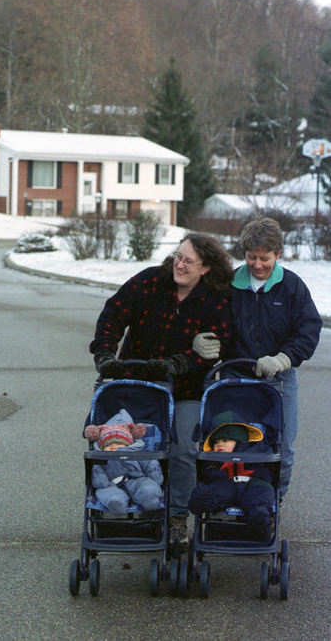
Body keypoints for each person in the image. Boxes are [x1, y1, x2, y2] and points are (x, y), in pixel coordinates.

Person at [89, 233, 233, 546]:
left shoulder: (213, 300)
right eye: (178, 256)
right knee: (126, 444)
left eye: (189, 261)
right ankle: (127, 508)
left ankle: (177, 516)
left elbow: (216, 345)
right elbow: (113, 313)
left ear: (206, 268)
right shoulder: (151, 281)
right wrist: (104, 353)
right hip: (137, 383)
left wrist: (179, 364)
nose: (179, 265)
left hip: (185, 389)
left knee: (182, 447)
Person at [193, 217, 322, 500]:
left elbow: (308, 329)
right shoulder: (230, 284)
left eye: (265, 258)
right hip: (234, 375)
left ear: (278, 254)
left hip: (279, 377)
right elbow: (210, 321)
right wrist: (203, 341)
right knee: (228, 441)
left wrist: (283, 358)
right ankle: (225, 497)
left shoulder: (291, 287)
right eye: (252, 257)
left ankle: (271, 502)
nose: (258, 264)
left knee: (280, 447)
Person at [188, 411, 275, 541]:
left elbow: (266, 470)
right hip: (225, 483)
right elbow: (207, 472)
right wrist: (214, 472)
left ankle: (259, 525)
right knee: (209, 492)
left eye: (225, 440)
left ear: (239, 440)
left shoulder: (256, 452)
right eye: (216, 442)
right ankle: (204, 501)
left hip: (251, 484)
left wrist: (260, 475)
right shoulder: (213, 458)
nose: (219, 445)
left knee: (259, 498)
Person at [84, 420, 164, 514]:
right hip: (111, 484)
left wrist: (155, 477)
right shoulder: (100, 458)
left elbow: (150, 464)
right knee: (107, 493)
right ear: (101, 448)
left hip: (137, 480)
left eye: (119, 444)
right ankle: (117, 503)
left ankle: (150, 498)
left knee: (148, 489)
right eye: (108, 445)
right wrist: (100, 479)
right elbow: (99, 478)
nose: (114, 447)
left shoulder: (138, 453)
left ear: (129, 444)